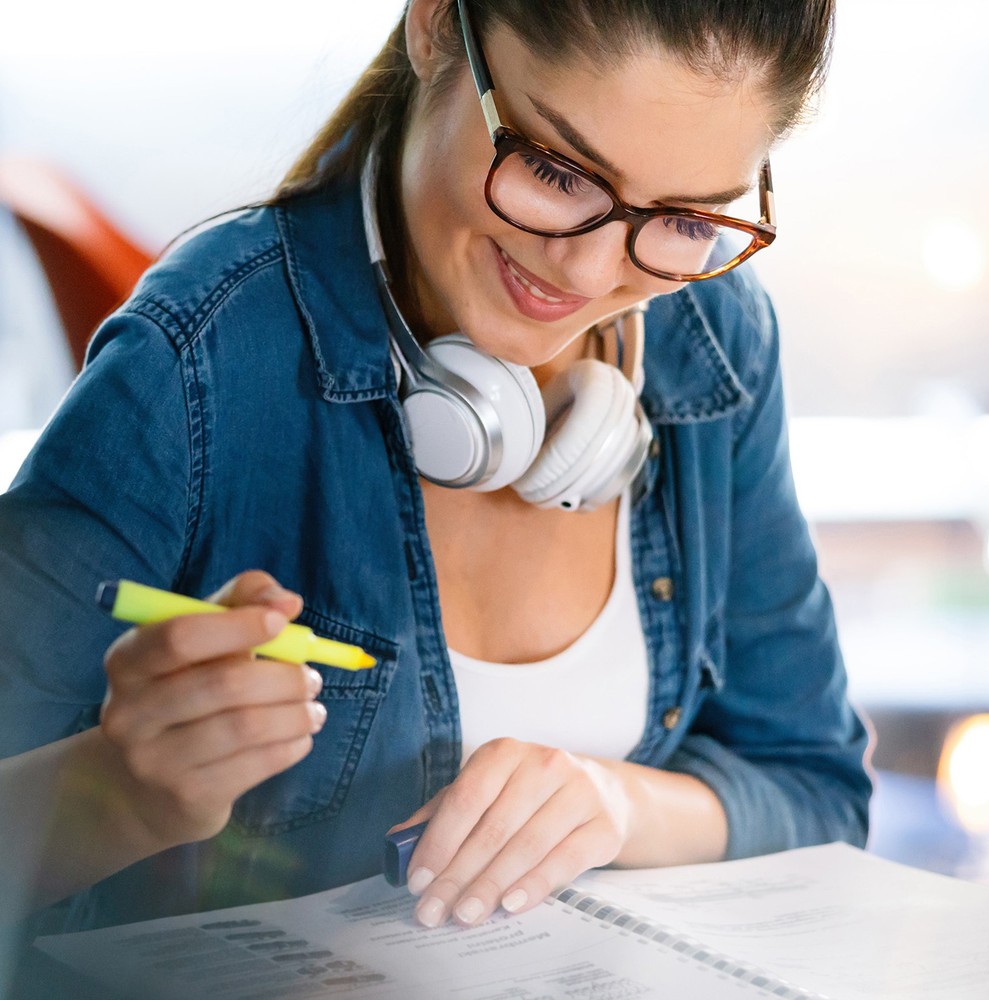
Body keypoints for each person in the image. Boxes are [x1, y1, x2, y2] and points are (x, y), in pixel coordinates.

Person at [0, 0, 870, 943]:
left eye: (685, 219)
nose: (584, 273)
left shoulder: (711, 336)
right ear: (433, 29)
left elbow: (816, 788)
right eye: (552, 168)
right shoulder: (198, 359)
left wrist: (613, 807)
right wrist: (116, 794)